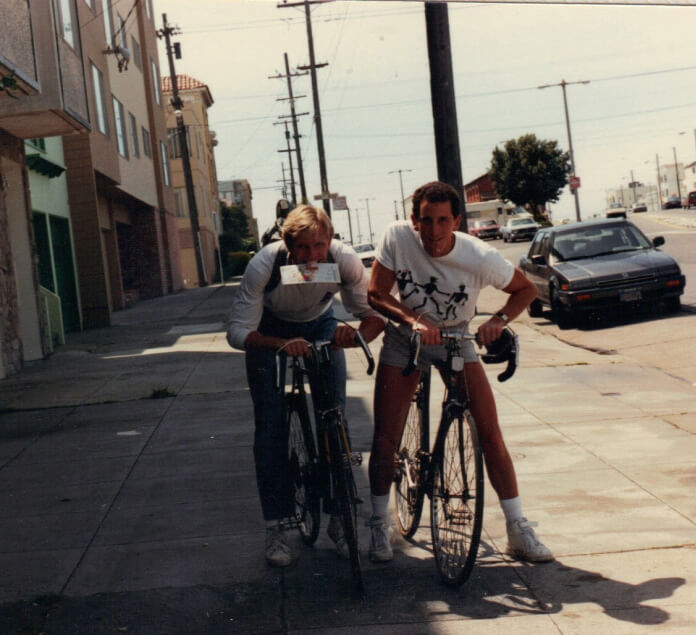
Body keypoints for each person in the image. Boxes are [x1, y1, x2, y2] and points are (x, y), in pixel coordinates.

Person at [365, 180, 553, 563]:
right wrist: (414, 320)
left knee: (489, 432)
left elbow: (526, 290)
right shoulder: (397, 238)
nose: (433, 232)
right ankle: (377, 523)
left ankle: (517, 528)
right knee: (386, 433)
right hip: (407, 339)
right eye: (425, 221)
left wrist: (498, 321)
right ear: (413, 220)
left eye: (442, 221)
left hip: (456, 338)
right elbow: (376, 295)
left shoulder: (479, 256)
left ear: (457, 221)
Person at [227, 204, 385, 567]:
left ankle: (339, 519)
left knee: (335, 420)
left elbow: (373, 315)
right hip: (269, 328)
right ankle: (276, 528)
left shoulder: (344, 260)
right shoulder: (264, 265)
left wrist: (355, 335)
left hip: (319, 323)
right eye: (302, 248)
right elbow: (237, 332)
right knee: (269, 426)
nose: (312, 256)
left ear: (330, 241)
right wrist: (280, 345)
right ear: (288, 245)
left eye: (319, 247)